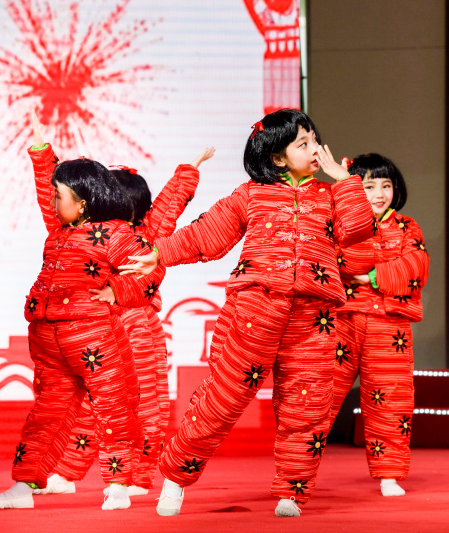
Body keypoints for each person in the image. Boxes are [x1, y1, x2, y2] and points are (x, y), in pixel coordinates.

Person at [119, 109, 376, 517]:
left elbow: (359, 230)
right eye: (303, 143)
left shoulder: (330, 197)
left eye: (314, 140)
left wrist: (344, 181)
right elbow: (206, 233)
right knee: (222, 399)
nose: (315, 149)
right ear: (277, 157)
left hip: (314, 316)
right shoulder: (251, 194)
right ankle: (175, 477)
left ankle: (292, 491)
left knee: (308, 403)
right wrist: (159, 254)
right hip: (255, 309)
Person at [0, 113, 165, 511]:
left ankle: (118, 486)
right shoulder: (59, 229)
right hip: (50, 343)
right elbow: (46, 186)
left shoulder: (113, 232)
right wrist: (41, 151)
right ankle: (23, 486)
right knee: (45, 415)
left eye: (59, 195)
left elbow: (149, 269)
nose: (52, 200)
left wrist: (117, 291)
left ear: (81, 203)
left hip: (95, 338)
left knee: (113, 407)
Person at [34, 130, 214, 496]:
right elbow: (51, 194)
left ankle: (137, 476)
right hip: (99, 327)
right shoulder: (84, 232)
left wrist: (188, 170)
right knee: (92, 403)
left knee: (146, 403)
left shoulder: (148, 232)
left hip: (139, 327)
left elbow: (169, 205)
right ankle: (68, 473)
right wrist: (42, 155)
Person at [326, 153, 428, 497]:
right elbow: (335, 262)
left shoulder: (408, 227)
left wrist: (369, 276)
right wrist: (375, 265)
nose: (380, 193)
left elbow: (416, 267)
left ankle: (389, 475)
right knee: (319, 396)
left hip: (390, 326)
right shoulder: (339, 223)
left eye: (386, 185)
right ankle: (297, 471)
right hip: (342, 320)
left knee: (392, 399)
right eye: (369, 186)